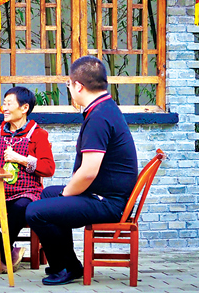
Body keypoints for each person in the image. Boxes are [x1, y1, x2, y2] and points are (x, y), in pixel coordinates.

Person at [25, 56, 138, 286]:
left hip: (108, 202)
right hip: (104, 195)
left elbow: (88, 172)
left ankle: (65, 268)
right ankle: (69, 264)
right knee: (47, 194)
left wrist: (66, 193)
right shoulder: (105, 108)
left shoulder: (99, 117)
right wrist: (64, 193)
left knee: (35, 211)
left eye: (69, 84)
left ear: (78, 86)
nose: (69, 89)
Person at [0, 86, 55, 273]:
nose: (4, 108)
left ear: (24, 108)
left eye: (9, 104)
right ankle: (7, 253)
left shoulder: (38, 135)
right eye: (4, 104)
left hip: (26, 192)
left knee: (21, 208)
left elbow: (49, 168)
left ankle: (1, 255)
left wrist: (21, 159)